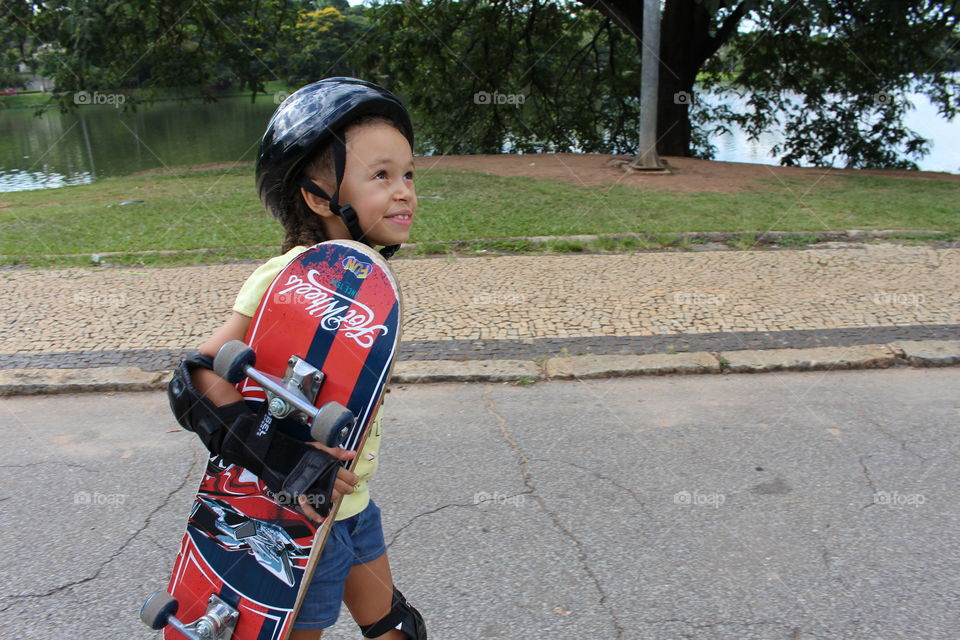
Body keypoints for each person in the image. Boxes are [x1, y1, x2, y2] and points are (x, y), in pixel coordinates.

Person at [166, 78, 426, 639]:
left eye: (408, 174)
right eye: (380, 175)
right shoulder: (285, 277)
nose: (404, 190)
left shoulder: (366, 285)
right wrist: (284, 455)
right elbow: (194, 380)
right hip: (295, 524)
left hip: (352, 505)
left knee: (395, 627)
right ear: (316, 196)